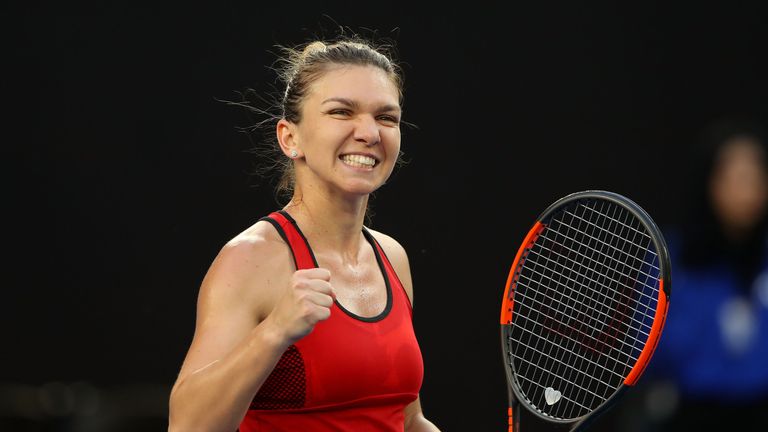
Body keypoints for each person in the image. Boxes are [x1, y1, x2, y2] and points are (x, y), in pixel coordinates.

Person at [167, 35, 441, 431]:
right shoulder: (251, 258)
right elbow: (187, 426)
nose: (369, 132)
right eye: (342, 112)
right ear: (289, 138)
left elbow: (408, 419)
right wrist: (275, 332)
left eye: (386, 117)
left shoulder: (391, 257)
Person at [637, 116, 768, 430]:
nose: (748, 191)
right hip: (689, 416)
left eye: (756, 177)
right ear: (710, 183)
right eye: (737, 178)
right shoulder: (672, 258)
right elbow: (648, 350)